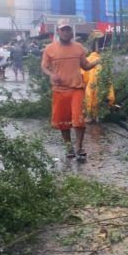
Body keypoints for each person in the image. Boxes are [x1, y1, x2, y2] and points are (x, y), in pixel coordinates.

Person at [41, 23, 99, 161]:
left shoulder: (78, 48)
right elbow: (44, 66)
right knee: (63, 122)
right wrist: (51, 74)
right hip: (59, 90)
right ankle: (69, 147)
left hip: (76, 89)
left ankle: (79, 147)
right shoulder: (50, 49)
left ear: (71, 32)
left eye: (68, 30)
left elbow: (85, 66)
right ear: (58, 32)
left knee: (79, 120)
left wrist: (96, 62)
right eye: (63, 30)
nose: (66, 32)